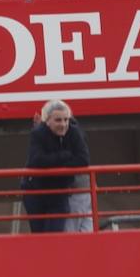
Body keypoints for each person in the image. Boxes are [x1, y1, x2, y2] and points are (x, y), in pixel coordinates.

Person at [21, 99, 91, 233]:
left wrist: (55, 166)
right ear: (47, 121)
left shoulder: (74, 131)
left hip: (59, 192)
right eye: (58, 120)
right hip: (36, 192)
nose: (63, 124)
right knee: (40, 237)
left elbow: (83, 159)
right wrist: (64, 156)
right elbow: (37, 161)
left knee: (55, 235)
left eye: (66, 120)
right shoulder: (38, 133)